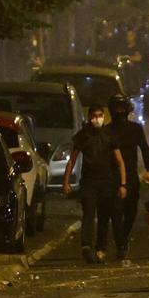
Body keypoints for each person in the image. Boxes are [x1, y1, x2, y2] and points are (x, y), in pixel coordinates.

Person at [63, 104, 128, 264]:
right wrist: (66, 182)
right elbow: (72, 160)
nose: (97, 119)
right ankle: (86, 246)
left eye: (100, 115)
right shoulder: (83, 135)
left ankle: (100, 249)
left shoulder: (109, 135)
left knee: (104, 217)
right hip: (89, 182)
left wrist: (123, 184)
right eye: (94, 115)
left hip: (107, 182)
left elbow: (120, 161)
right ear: (89, 117)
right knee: (88, 214)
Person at [107, 94, 149, 258]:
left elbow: (144, 148)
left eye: (121, 108)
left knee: (131, 210)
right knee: (116, 211)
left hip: (131, 175)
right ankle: (121, 244)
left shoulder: (135, 129)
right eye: (116, 108)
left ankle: (123, 238)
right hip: (113, 176)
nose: (119, 112)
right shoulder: (107, 130)